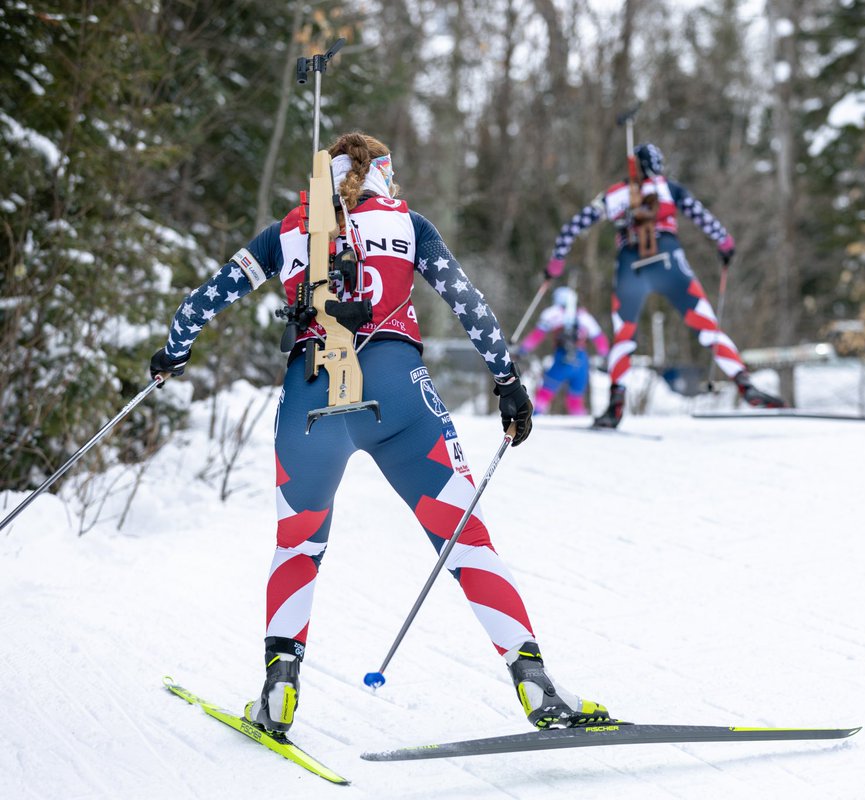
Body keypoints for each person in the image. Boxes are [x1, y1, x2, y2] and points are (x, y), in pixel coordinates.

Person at [149, 132, 610, 735]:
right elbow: (468, 301)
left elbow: (204, 300)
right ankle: (537, 686)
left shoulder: (288, 230)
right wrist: (508, 381)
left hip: (309, 399)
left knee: (298, 545)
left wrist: (173, 352)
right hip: (399, 393)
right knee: (465, 539)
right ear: (383, 177)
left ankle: (278, 691)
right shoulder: (408, 224)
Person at [544, 142, 785, 428]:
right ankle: (744, 383)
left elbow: (573, 226)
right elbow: (702, 217)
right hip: (670, 261)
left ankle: (616, 404)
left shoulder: (617, 193)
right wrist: (724, 243)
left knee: (624, 336)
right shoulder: (670, 189)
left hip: (630, 267)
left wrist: (556, 262)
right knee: (707, 326)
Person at [515, 286, 610, 416]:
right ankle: (578, 419)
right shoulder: (584, 316)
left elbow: (537, 334)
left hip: (563, 357)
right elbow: (600, 339)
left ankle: (533, 416)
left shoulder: (553, 313)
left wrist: (523, 350)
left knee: (547, 387)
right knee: (576, 394)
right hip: (582, 359)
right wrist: (605, 356)